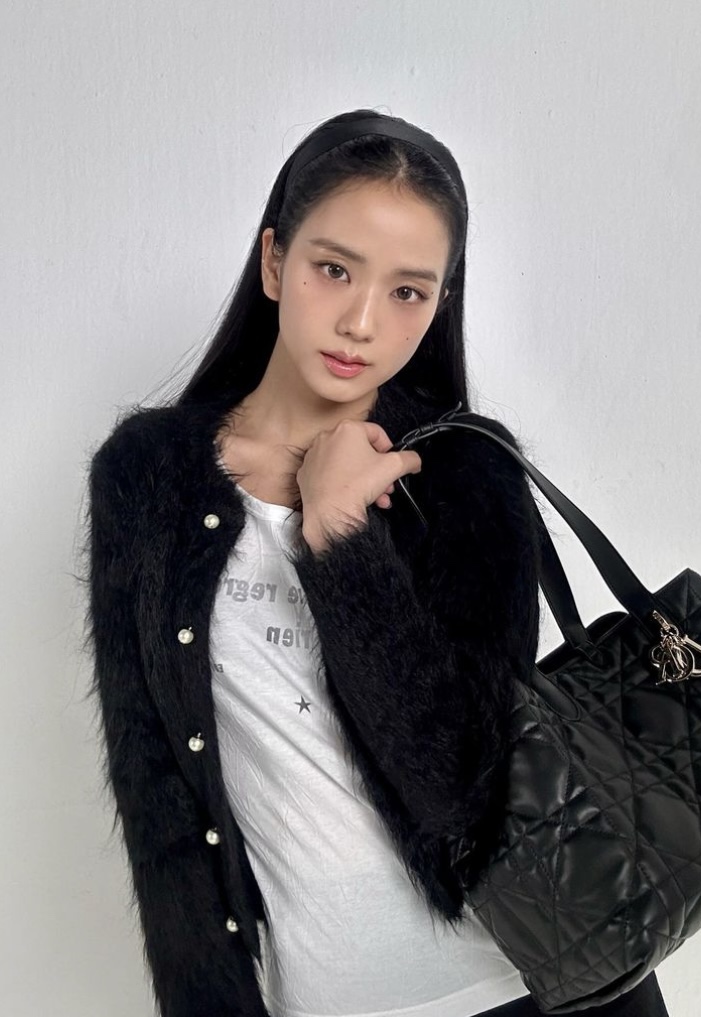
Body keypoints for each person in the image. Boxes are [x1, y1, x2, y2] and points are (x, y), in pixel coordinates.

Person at [83, 109, 670, 1017]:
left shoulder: (464, 470)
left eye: (408, 291)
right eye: (334, 269)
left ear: (440, 303)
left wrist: (341, 535)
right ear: (274, 261)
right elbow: (155, 796)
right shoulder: (146, 476)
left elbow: (465, 794)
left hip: (545, 983)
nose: (361, 321)